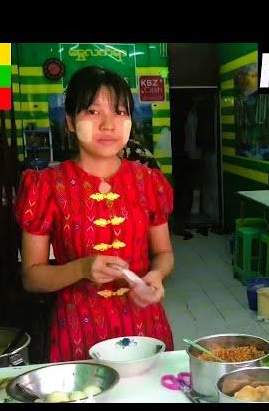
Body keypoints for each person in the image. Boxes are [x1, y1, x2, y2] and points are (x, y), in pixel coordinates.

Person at [15, 66, 175, 361]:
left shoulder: (148, 182)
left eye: (120, 112)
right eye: (92, 111)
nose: (108, 124)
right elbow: (32, 277)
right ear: (70, 122)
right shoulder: (47, 186)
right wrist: (81, 269)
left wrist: (156, 274)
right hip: (77, 331)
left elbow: (164, 253)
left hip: (145, 326)